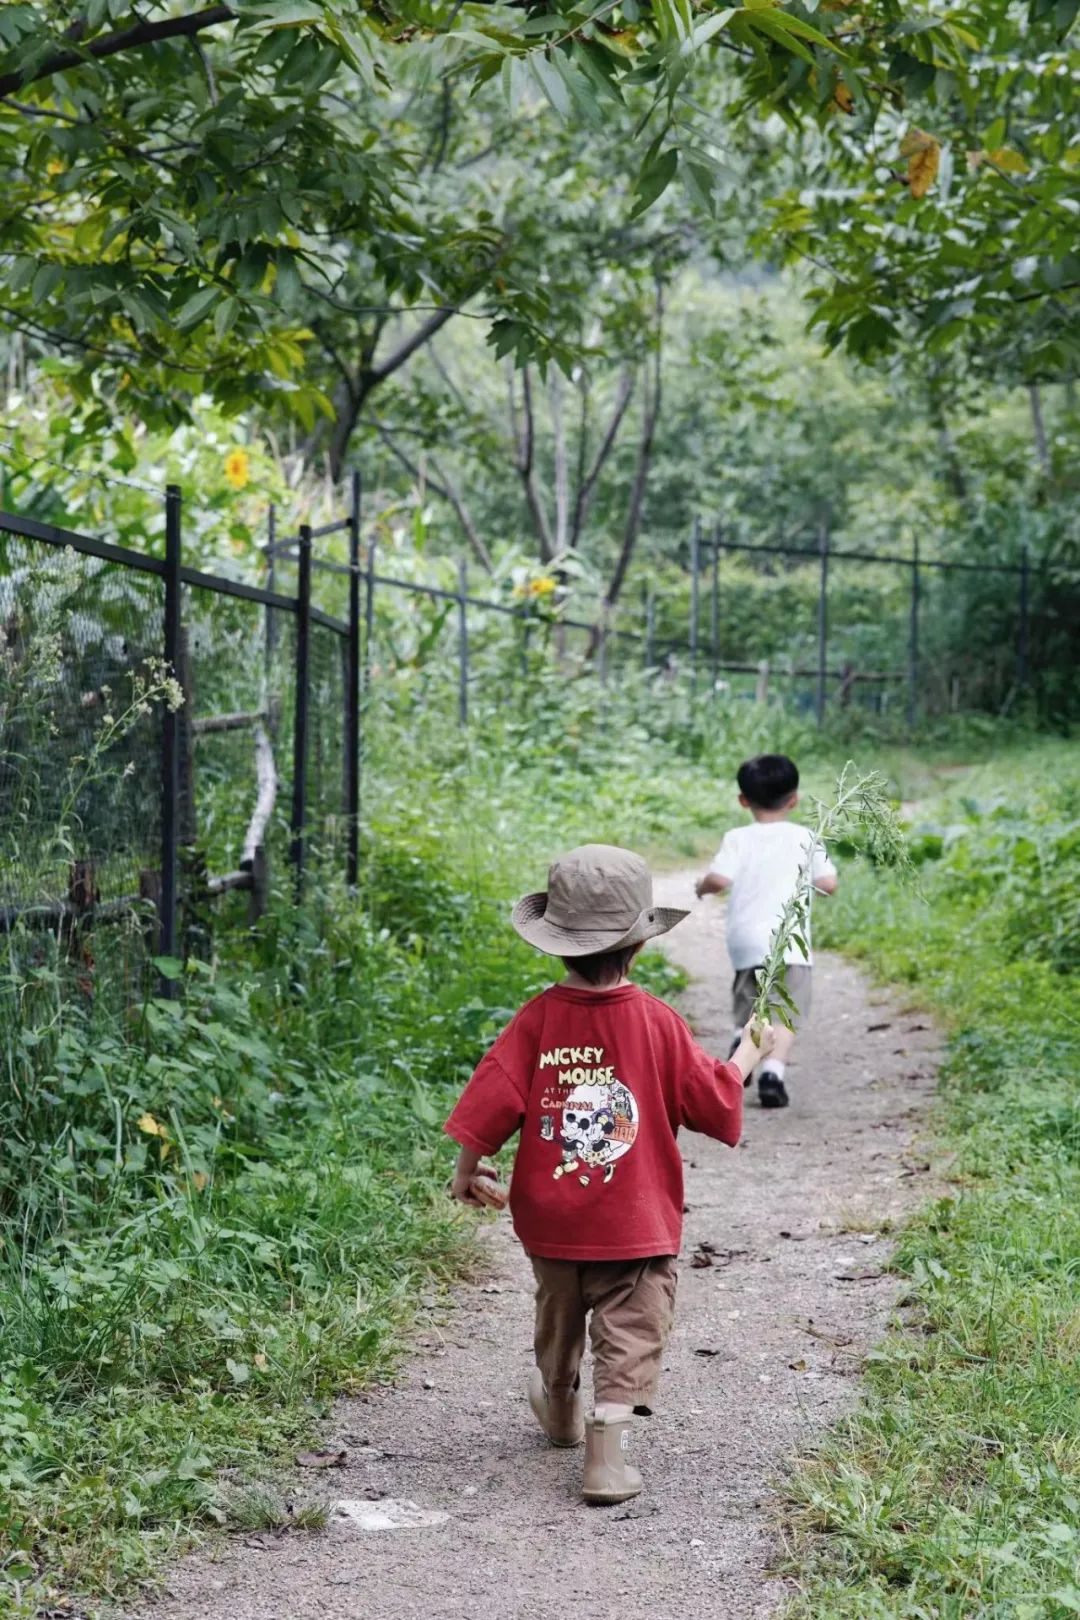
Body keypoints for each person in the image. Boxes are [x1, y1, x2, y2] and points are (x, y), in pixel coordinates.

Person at [444, 844, 773, 1507]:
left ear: (556, 944)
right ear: (639, 944)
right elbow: (711, 1098)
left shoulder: (536, 1020)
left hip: (551, 1218)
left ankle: (560, 1408)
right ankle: (606, 1456)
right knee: (632, 1326)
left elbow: (493, 1093)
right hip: (634, 1218)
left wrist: (467, 1167)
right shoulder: (657, 1023)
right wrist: (747, 1057)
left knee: (558, 1318)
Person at [695, 753, 838, 1111]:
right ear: (795, 799)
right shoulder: (806, 836)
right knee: (785, 1011)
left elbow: (720, 879)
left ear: (743, 800)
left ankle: (739, 1044)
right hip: (790, 942)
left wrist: (701, 886)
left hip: (746, 942)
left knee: (749, 1003)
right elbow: (828, 882)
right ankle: (773, 1072)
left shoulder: (737, 837)